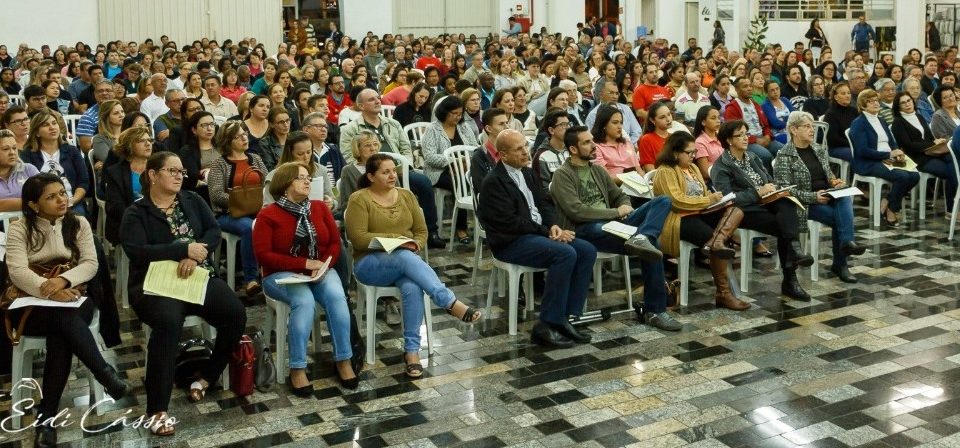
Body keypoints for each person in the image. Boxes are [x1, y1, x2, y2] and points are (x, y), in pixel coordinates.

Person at [120, 151, 246, 436]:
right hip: (156, 285)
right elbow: (136, 251)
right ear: (152, 175)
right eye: (172, 171)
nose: (180, 176)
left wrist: (195, 255)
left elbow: (213, 232)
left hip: (196, 275)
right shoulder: (137, 212)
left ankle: (206, 377)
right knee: (168, 324)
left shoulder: (192, 200)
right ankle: (157, 410)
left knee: (235, 313)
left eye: (182, 172)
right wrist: (181, 250)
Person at [8, 173, 128, 447]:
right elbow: (17, 272)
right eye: (51, 196)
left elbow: (90, 264)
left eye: (62, 193)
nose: (62, 199)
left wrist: (63, 281)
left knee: (63, 325)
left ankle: (47, 418)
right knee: (62, 326)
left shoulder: (79, 223)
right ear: (34, 205)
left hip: (75, 293)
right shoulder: (20, 228)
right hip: (31, 303)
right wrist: (50, 290)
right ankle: (103, 372)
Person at [345, 153, 481, 377]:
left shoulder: (407, 196)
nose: (392, 175)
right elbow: (358, 239)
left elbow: (422, 231)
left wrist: (415, 244)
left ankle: (411, 352)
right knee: (403, 257)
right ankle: (447, 300)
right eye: (385, 172)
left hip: (405, 261)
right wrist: (395, 241)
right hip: (369, 263)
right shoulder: (359, 199)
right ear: (370, 176)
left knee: (412, 286)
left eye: (393, 170)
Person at [551, 125, 687, 328]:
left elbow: (619, 194)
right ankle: (654, 310)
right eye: (587, 142)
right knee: (653, 247)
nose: (593, 145)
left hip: (614, 225)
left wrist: (625, 205)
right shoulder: (563, 175)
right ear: (573, 149)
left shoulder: (597, 170)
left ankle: (644, 238)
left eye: (592, 140)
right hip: (584, 230)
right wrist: (616, 213)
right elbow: (576, 212)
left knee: (663, 202)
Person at [477, 130, 596, 347]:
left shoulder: (529, 173)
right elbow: (512, 222)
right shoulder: (494, 182)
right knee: (565, 253)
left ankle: (566, 317)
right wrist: (547, 232)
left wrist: (553, 226)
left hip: (538, 234)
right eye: (519, 149)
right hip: (511, 241)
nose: (526, 152)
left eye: (526, 145)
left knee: (587, 250)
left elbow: (544, 203)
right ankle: (546, 324)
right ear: (503, 155)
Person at [254, 161, 358, 393]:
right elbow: (264, 256)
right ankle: (298, 367)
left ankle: (344, 359)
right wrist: (303, 263)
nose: (307, 181)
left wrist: (321, 265)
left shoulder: (319, 208)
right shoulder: (268, 215)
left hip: (319, 269)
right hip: (280, 275)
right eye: (301, 178)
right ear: (285, 184)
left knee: (336, 296)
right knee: (304, 301)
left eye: (308, 178)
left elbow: (333, 243)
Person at [712, 120, 814, 301]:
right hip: (744, 211)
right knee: (785, 224)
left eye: (746, 133)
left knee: (787, 203)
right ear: (728, 140)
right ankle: (791, 277)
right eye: (740, 135)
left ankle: (793, 255)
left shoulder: (752, 157)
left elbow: (767, 179)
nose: (746, 138)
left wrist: (774, 188)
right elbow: (727, 199)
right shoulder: (722, 166)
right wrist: (757, 192)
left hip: (766, 203)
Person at [651, 132, 751, 310]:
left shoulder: (693, 168)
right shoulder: (665, 171)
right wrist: (708, 200)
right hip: (679, 218)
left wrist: (714, 199)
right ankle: (723, 293)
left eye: (694, 152)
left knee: (736, 210)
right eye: (689, 153)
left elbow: (704, 194)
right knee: (713, 239)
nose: (693, 156)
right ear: (675, 153)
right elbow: (676, 201)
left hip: (700, 212)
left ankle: (716, 242)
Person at [340, 88, 446, 248]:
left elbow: (405, 148)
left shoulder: (393, 123)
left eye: (377, 98)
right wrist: (373, 169)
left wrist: (403, 166)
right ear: (361, 106)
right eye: (371, 100)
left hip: (398, 168)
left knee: (424, 182)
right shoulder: (351, 129)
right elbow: (350, 155)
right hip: (370, 172)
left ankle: (431, 231)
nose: (377, 101)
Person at [773, 111, 867, 283]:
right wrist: (813, 197)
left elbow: (828, 174)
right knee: (839, 218)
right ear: (794, 130)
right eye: (807, 127)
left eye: (813, 127)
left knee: (844, 196)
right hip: (805, 203)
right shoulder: (784, 156)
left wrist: (834, 182)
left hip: (827, 194)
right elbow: (783, 190)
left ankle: (846, 245)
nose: (812, 130)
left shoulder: (818, 149)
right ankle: (842, 262)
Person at [207, 120, 268, 295]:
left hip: (257, 209)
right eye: (238, 136)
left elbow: (267, 183)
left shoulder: (255, 158)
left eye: (245, 134)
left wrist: (259, 201)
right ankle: (251, 279)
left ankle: (272, 272)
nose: (244, 138)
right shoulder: (219, 164)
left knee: (274, 223)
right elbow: (216, 195)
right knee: (249, 227)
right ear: (228, 141)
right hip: (229, 213)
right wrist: (241, 200)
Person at [849, 89, 920, 227]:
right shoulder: (859, 123)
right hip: (869, 162)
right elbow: (863, 151)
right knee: (903, 177)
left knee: (915, 175)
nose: (876, 103)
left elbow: (891, 141)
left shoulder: (880, 120)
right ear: (863, 105)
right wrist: (887, 155)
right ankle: (892, 211)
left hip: (888, 159)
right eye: (871, 101)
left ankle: (887, 201)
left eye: (876, 100)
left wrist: (896, 151)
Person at [421, 96, 479, 243]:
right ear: (444, 112)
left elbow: (475, 149)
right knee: (460, 183)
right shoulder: (433, 129)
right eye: (454, 113)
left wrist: (466, 162)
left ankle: (484, 225)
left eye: (460, 114)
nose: (458, 117)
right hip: (439, 172)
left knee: (480, 181)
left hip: (464, 169)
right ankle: (461, 228)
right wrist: (452, 162)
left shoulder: (464, 127)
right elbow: (429, 156)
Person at [892, 91, 958, 219]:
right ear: (898, 106)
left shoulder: (919, 117)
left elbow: (928, 137)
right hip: (917, 158)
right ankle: (951, 210)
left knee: (955, 161)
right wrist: (930, 145)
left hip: (932, 152)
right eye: (903, 103)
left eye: (909, 100)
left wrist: (935, 143)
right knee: (952, 171)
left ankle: (955, 206)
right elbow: (908, 145)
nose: (907, 104)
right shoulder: (898, 122)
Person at [22, 109, 89, 216]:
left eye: (54, 123)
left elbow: (83, 181)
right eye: (45, 125)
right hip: (43, 206)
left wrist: (72, 201)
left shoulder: (72, 151)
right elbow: (29, 187)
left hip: (71, 203)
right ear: (37, 133)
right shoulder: (28, 155)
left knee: (78, 216)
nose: (52, 127)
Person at [104, 126, 152, 246]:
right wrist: (138, 218)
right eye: (141, 141)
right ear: (130, 145)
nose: (148, 144)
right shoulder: (115, 172)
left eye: (149, 140)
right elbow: (115, 206)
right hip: (129, 220)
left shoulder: (158, 166)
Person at [724, 77, 782, 169]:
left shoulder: (755, 104)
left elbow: (766, 125)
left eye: (750, 86)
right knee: (766, 156)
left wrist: (767, 136)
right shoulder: (732, 108)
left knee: (783, 150)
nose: (749, 88)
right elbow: (735, 133)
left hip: (763, 137)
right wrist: (755, 140)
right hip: (747, 141)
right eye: (745, 86)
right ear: (737, 89)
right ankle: (769, 180)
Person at [587, 80, 643, 145]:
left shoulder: (626, 109)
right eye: (611, 93)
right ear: (601, 95)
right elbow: (592, 139)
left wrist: (628, 145)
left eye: (617, 93)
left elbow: (637, 131)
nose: (615, 96)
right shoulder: (593, 115)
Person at [177, 111, 217, 197]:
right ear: (194, 130)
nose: (209, 128)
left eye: (212, 124)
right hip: (202, 193)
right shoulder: (187, 151)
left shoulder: (223, 146)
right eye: (204, 125)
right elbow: (188, 176)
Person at [470, 108, 509, 195]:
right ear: (489, 129)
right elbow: (484, 189)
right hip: (494, 203)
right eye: (501, 124)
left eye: (507, 122)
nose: (507, 127)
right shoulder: (479, 157)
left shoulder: (510, 151)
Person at [532, 109, 571, 191]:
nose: (568, 128)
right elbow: (544, 189)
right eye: (563, 125)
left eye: (568, 124)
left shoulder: (573, 150)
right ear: (551, 130)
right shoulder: (541, 156)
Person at [0, 129, 38, 211]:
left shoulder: (29, 170)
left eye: (14, 148)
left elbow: (44, 197)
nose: (12, 152)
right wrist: (30, 204)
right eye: (6, 149)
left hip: (30, 222)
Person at [90, 99, 124, 184]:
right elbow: (111, 161)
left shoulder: (129, 134)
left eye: (122, 112)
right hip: (111, 180)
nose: (121, 115)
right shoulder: (99, 139)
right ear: (106, 117)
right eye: (116, 113)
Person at [823, 81, 858, 162]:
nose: (847, 96)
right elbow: (833, 139)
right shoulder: (831, 114)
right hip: (837, 147)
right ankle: (856, 174)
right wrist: (853, 144)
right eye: (843, 93)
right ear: (836, 97)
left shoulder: (854, 111)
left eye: (848, 93)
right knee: (857, 153)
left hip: (854, 144)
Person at [638, 101, 675, 172]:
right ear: (652, 120)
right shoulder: (646, 139)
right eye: (662, 117)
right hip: (660, 179)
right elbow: (650, 170)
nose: (668, 119)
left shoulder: (674, 137)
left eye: (669, 114)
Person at [693, 106, 723, 184]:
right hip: (714, 181)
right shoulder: (700, 142)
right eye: (713, 118)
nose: (718, 121)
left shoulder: (722, 136)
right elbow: (705, 172)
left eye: (718, 118)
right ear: (703, 122)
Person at [256, 106, 293, 171]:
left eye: (287, 120)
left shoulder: (295, 139)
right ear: (271, 124)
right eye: (281, 122)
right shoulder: (265, 143)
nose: (286, 125)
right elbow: (270, 170)